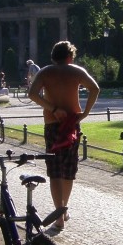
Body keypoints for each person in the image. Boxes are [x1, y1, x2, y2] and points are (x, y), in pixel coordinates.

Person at [27, 41, 100, 231]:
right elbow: (95, 88)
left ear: (53, 56)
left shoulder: (45, 72)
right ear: (69, 56)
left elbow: (32, 94)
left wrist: (52, 108)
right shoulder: (76, 71)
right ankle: (63, 210)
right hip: (72, 124)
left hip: (52, 124)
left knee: (54, 170)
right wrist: (85, 112)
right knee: (68, 169)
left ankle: (58, 211)